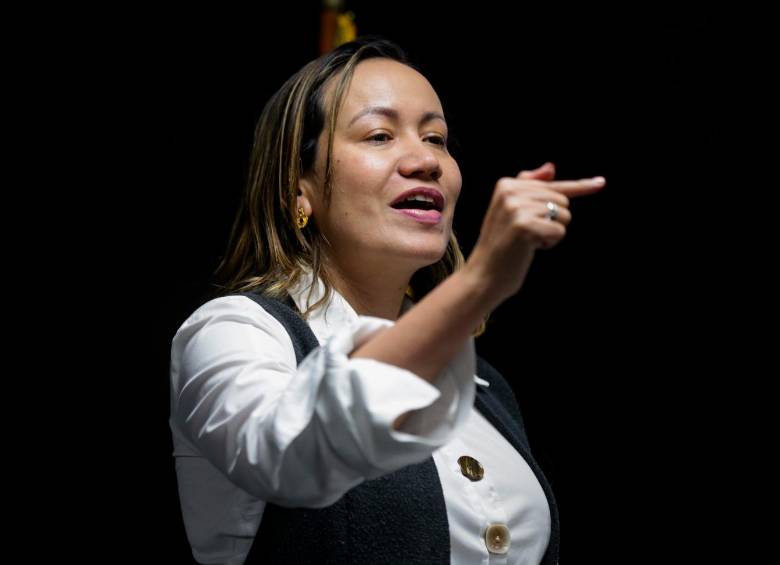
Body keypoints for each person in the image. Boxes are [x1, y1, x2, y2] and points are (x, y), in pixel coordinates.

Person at [169, 36, 605, 565]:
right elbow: (286, 456)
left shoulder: (486, 387)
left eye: (437, 138)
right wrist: (479, 283)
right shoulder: (234, 330)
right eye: (379, 135)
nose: (426, 160)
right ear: (297, 188)